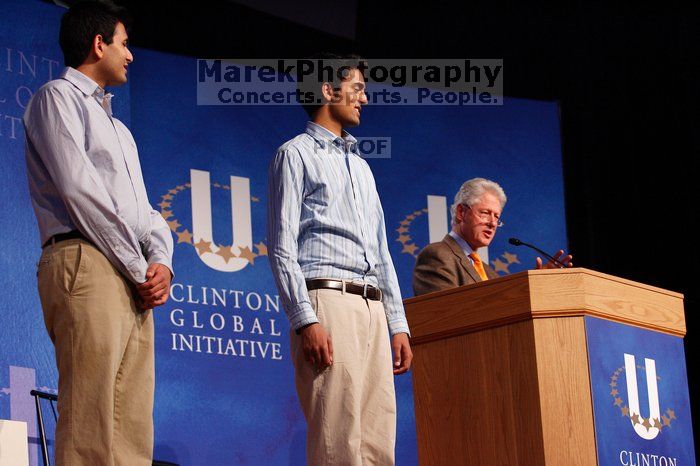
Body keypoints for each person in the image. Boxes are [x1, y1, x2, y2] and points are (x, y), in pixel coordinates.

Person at [23, 1, 173, 464]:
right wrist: (136, 266)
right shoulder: (57, 98)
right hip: (86, 261)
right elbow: (79, 191)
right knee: (90, 421)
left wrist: (161, 262)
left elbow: (145, 212)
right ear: (98, 43)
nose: (130, 55)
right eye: (124, 44)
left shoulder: (121, 130)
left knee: (131, 426)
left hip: (129, 275)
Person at [268, 54, 412, 465]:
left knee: (378, 443)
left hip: (372, 308)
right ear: (328, 91)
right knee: (338, 442)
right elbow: (281, 245)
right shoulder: (294, 155)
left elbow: (382, 252)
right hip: (327, 301)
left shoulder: (362, 168)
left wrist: (397, 323)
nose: (364, 98)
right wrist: (305, 319)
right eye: (357, 88)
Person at [413, 177, 572, 295]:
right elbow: (443, 315)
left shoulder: (491, 274)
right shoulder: (437, 255)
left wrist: (534, 286)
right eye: (485, 213)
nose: (492, 223)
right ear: (462, 212)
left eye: (496, 217)